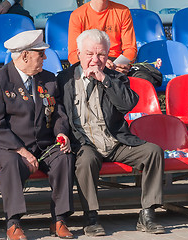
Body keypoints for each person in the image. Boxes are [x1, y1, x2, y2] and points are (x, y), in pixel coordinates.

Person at [57, 29, 165, 237]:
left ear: (108, 56)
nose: (95, 60)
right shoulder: (64, 79)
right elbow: (59, 115)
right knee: (86, 160)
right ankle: (91, 218)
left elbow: (128, 104)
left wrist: (105, 80)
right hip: (84, 143)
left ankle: (148, 214)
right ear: (78, 53)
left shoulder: (116, 77)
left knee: (153, 151)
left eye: (101, 55)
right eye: (90, 54)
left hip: (114, 140)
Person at [0, 30, 75, 240]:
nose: (45, 58)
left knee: (64, 157)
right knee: (12, 161)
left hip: (41, 144)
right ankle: (13, 224)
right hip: (4, 146)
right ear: (25, 56)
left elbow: (59, 113)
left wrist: (61, 134)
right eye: (41, 54)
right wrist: (21, 150)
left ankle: (59, 220)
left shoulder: (48, 79)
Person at [68, 0, 136, 75]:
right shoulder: (77, 15)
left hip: (115, 62)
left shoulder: (123, 12)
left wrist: (120, 64)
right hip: (91, 61)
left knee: (143, 78)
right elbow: (73, 54)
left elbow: (130, 49)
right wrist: (99, 63)